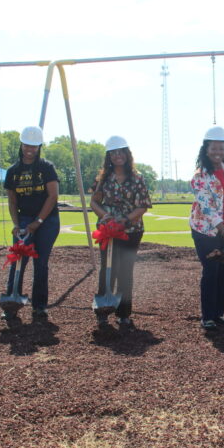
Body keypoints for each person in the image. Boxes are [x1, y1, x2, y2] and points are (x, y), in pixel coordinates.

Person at [90, 136, 152, 329]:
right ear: (109, 156)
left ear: (127, 154)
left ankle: (123, 313)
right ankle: (103, 310)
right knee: (107, 269)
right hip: (107, 231)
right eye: (114, 153)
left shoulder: (137, 178)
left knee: (125, 272)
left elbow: (143, 205)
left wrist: (125, 220)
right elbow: (94, 202)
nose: (118, 156)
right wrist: (106, 216)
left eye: (121, 152)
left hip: (130, 231)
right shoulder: (102, 179)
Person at [3, 125, 60, 321]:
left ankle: (40, 306)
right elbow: (12, 201)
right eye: (27, 145)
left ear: (39, 147)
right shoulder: (13, 171)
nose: (30, 149)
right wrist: (17, 224)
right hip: (24, 218)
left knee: (41, 263)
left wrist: (38, 222)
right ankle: (11, 302)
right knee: (18, 260)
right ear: (21, 144)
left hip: (48, 220)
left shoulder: (47, 168)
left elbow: (53, 196)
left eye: (34, 146)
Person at [189, 126, 224, 331]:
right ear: (205, 149)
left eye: (221, 148)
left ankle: (219, 314)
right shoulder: (199, 176)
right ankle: (207, 316)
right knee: (211, 270)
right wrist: (223, 230)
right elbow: (207, 208)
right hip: (207, 231)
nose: (217, 152)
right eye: (213, 148)